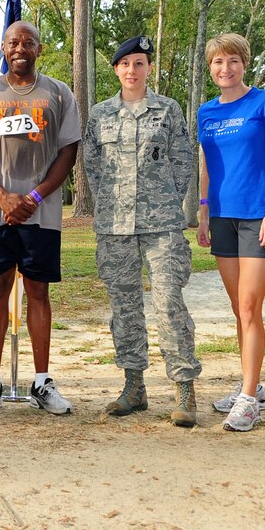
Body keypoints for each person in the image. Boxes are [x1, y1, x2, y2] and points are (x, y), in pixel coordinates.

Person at [0, 20, 81, 416]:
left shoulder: (59, 93)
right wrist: (2, 196)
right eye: (13, 42)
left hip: (41, 213)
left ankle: (42, 382)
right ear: (3, 48)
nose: (20, 48)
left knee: (39, 293)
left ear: (39, 49)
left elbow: (67, 153)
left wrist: (31, 196)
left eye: (29, 42)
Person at [84, 36, 201, 428]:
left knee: (169, 303)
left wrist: (164, 200)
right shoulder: (100, 114)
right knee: (125, 308)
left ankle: (184, 388)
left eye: (139, 63)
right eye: (125, 64)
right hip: (115, 228)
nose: (132, 70)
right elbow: (93, 167)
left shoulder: (167, 110)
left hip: (162, 226)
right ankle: (134, 386)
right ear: (116, 70)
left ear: (149, 68)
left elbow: (183, 161)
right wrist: (112, 205)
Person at [196, 33, 265, 432]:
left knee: (250, 306)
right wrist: (202, 211)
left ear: (244, 63)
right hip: (221, 217)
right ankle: (250, 384)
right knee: (240, 308)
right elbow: (207, 165)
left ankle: (249, 399)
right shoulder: (206, 112)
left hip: (257, 215)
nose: (225, 68)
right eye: (218, 62)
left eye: (232, 60)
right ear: (211, 67)